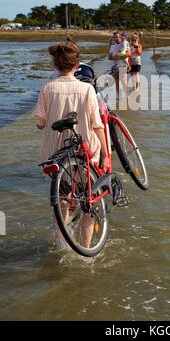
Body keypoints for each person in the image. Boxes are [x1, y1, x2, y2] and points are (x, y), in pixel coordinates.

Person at [32, 37, 110, 248]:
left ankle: (61, 245)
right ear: (77, 66)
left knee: (61, 200)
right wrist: (104, 154)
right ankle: (84, 247)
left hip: (56, 154)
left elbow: (40, 123)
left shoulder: (47, 88)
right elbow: (96, 124)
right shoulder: (87, 89)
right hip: (84, 153)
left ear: (55, 65)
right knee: (88, 202)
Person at [108, 31, 130, 98]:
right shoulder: (113, 45)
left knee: (123, 81)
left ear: (120, 37)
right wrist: (114, 57)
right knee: (117, 82)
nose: (115, 39)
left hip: (123, 66)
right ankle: (119, 97)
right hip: (115, 66)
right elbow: (109, 56)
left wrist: (119, 57)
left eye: (117, 37)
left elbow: (128, 54)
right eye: (114, 37)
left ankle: (127, 97)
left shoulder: (125, 43)